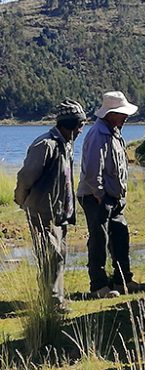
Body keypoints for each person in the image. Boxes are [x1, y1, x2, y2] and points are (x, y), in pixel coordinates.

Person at [15, 100, 87, 312]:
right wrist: (22, 200)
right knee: (50, 256)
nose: (82, 130)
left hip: (59, 212)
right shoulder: (46, 145)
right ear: (71, 125)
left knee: (59, 255)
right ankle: (52, 302)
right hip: (42, 211)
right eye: (81, 125)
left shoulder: (66, 143)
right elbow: (26, 177)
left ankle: (57, 299)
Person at [77, 91, 139, 299]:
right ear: (111, 114)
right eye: (122, 114)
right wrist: (99, 194)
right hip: (97, 197)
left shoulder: (114, 132)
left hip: (112, 196)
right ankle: (99, 285)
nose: (125, 117)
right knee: (99, 239)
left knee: (120, 235)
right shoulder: (98, 134)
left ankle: (122, 280)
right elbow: (93, 169)